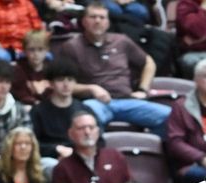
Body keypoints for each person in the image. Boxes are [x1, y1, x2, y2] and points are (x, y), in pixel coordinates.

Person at [64, 2, 171, 137]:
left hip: (127, 100)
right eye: (93, 17)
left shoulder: (121, 41)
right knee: (88, 120)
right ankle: (102, 156)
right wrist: (91, 88)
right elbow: (64, 85)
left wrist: (143, 89)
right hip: (95, 103)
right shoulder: (71, 47)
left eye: (102, 18)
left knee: (171, 117)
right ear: (84, 21)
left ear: (108, 23)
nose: (98, 21)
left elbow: (148, 63)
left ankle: (150, 153)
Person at [51, 111, 132, 183]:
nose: (87, 132)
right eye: (81, 128)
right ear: (71, 134)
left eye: (91, 127)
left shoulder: (116, 157)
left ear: (98, 132)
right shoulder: (63, 167)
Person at [30, 58, 91, 163]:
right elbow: (32, 143)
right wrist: (56, 149)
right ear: (50, 83)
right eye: (60, 80)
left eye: (70, 80)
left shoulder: (85, 110)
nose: (66, 84)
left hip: (80, 157)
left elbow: (98, 141)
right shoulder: (38, 111)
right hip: (50, 159)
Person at [11, 30, 51, 106]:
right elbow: (20, 93)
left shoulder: (52, 68)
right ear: (24, 51)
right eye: (32, 50)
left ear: (47, 50)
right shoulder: (18, 69)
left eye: (40, 49)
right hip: (27, 106)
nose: (36, 54)